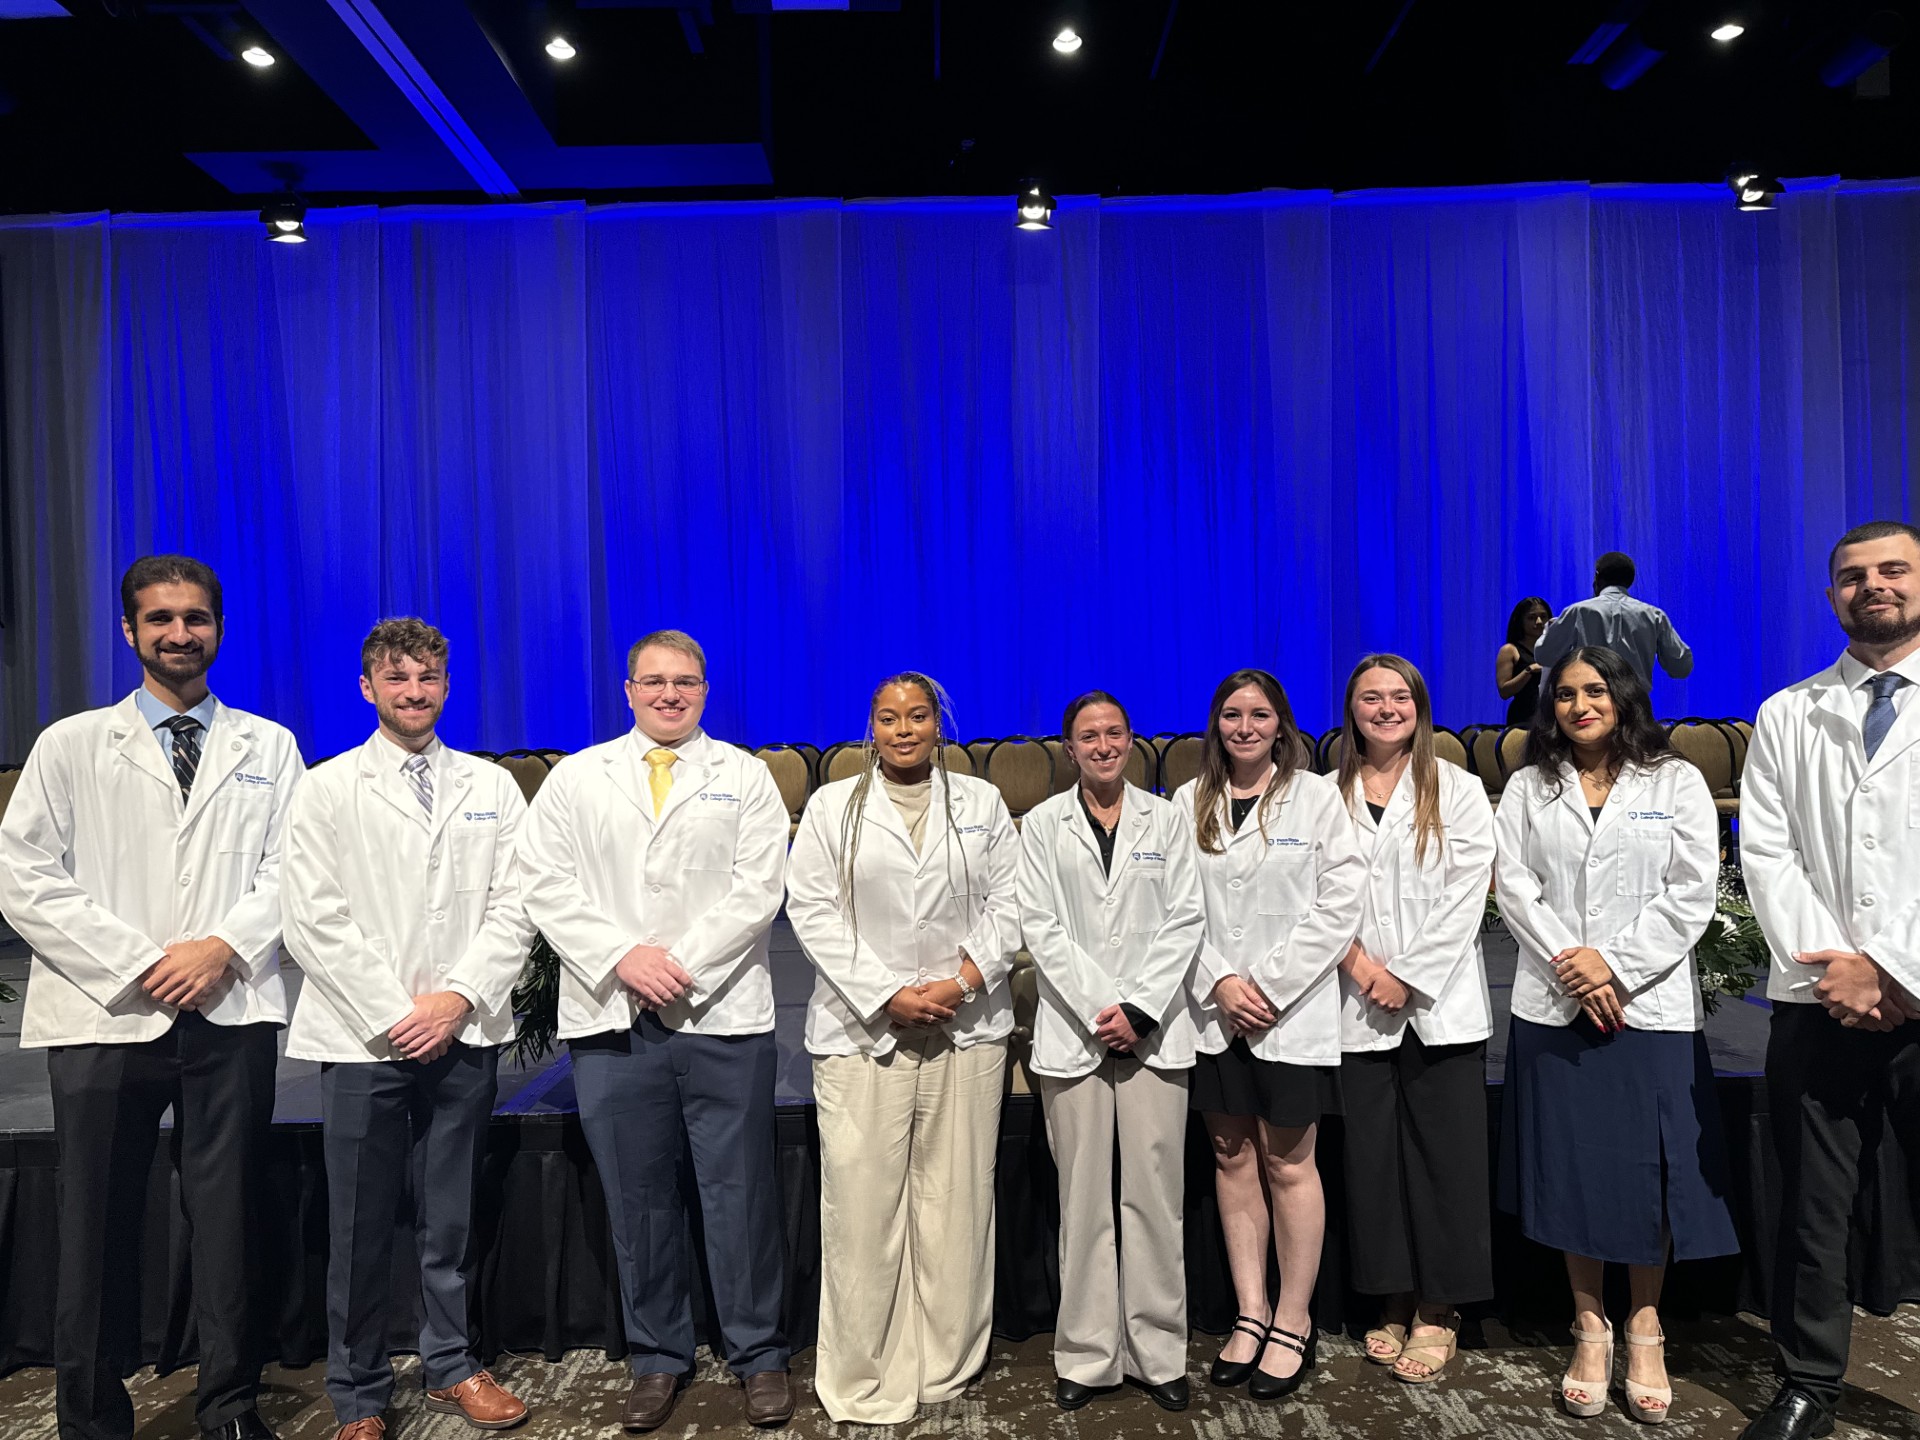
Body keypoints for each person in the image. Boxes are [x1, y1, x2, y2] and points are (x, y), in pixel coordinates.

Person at [0, 555, 304, 1440]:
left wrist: (222, 947)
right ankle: (91, 1417)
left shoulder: (270, 747)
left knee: (228, 1219)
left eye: (196, 618)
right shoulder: (70, 744)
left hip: (228, 1011)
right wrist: (139, 962)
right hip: (106, 1012)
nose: (180, 634)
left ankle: (231, 1407)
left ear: (218, 628)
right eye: (160, 619)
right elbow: (23, 875)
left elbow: (298, 868)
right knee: (95, 1221)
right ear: (129, 631)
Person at [516, 630, 793, 1432]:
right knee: (638, 1198)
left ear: (705, 690)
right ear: (627, 690)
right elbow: (544, 881)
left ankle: (759, 1353)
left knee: (739, 1192)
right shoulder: (577, 778)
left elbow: (756, 890)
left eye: (685, 683)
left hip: (721, 1014)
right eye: (654, 682)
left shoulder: (743, 777)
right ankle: (657, 1356)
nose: (670, 695)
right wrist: (621, 958)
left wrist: (677, 963)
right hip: (613, 1018)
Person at [280, 619, 536, 1440]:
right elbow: (311, 918)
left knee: (449, 1212)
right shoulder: (325, 789)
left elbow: (515, 904)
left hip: (461, 1033)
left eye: (427, 677)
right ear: (367, 688)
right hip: (364, 1040)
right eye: (397, 679)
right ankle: (358, 1392)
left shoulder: (491, 788)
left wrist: (457, 998)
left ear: (447, 685)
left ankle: (451, 1364)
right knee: (358, 1221)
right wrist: (398, 1013)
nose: (414, 692)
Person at [1494, 645, 1736, 1425]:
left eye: (1595, 690)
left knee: (1650, 1171)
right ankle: (1590, 1325)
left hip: (1648, 1006)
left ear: (1624, 695)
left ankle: (1645, 1324)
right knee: (1571, 1169)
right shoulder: (1531, 785)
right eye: (1564, 694)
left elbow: (1693, 889)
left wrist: (1614, 967)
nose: (1579, 705)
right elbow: (1514, 883)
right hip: (1560, 1004)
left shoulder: (1676, 781)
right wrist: (1578, 968)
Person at [785, 673, 1020, 1425]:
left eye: (917, 716)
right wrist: (888, 992)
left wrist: (960, 982)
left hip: (966, 1025)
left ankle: (944, 1359)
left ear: (939, 724)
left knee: (955, 1200)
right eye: (889, 718)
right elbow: (812, 910)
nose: (904, 729)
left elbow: (1014, 902)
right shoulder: (832, 806)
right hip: (863, 1033)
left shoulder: (980, 803)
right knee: (861, 1206)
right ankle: (862, 1368)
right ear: (871, 728)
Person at [1737, 519, 1920, 1440]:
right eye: (1854, 576)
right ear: (1831, 596)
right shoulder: (1786, 712)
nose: (1874, 586)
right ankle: (1808, 1381)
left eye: (1894, 570)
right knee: (1814, 1204)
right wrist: (1841, 972)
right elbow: (1769, 856)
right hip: (1818, 1003)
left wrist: (1895, 970)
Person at [1172, 669, 1364, 1401]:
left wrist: (1269, 985)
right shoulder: (1191, 802)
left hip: (1289, 1012)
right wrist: (1220, 981)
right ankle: (1249, 1312)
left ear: (1281, 724)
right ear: (1215, 724)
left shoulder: (1315, 799)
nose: (1244, 726)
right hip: (1217, 1012)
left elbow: (1339, 901)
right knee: (1231, 1157)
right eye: (1231, 714)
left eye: (1258, 714)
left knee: (1288, 1164)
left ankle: (1293, 1318)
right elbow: (1177, 909)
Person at [1018, 692, 1206, 1415]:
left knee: (1155, 1199)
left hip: (1153, 1034)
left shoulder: (1168, 820)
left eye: (1114, 732)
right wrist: (1106, 1010)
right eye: (1088, 736)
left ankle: (1159, 1352)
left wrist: (1140, 1009)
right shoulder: (1040, 826)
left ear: (1132, 741)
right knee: (1084, 1202)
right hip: (1076, 1034)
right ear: (1069, 749)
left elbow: (1186, 916)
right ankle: (1089, 1355)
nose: (1103, 745)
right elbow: (1041, 925)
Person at [1332, 655, 1497, 1386]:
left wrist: (1408, 975)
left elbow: (1468, 892)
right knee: (1373, 1160)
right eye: (1372, 697)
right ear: (1352, 709)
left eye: (1400, 696)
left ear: (1420, 706)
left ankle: (1441, 1306)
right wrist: (1364, 968)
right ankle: (1393, 1294)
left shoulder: (1456, 788)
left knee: (1446, 1159)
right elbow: (1310, 893)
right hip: (1352, 996)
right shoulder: (1321, 793)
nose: (1387, 708)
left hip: (1439, 1003)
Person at [1534, 553, 1693, 687]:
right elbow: (1681, 667)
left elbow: (1544, 656)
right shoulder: (1654, 615)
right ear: (1630, 580)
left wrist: (1550, 631)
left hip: (1592, 704)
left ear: (1597, 576)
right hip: (1636, 707)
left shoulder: (1578, 611)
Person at [1498, 597, 1552, 727]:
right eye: (1531, 617)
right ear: (1520, 621)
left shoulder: (1554, 648)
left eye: (1543, 616)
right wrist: (1529, 670)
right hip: (1524, 715)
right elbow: (1504, 692)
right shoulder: (1510, 650)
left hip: (1550, 713)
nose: (1539, 622)